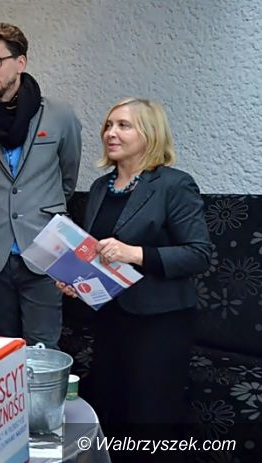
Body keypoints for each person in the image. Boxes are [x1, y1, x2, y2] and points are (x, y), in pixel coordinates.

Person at [57, 98, 212, 446]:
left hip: (160, 321)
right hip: (110, 318)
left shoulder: (174, 185)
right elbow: (99, 254)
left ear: (150, 133)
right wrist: (75, 280)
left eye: (123, 125)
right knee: (110, 410)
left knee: (149, 420)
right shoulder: (101, 187)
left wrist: (135, 254)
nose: (110, 133)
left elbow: (199, 254)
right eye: (108, 125)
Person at [0, 23, 81, 349]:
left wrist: (39, 210)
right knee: (1, 353)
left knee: (44, 350)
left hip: (46, 250)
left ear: (20, 62)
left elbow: (67, 179)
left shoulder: (59, 116)